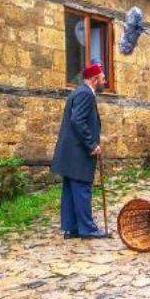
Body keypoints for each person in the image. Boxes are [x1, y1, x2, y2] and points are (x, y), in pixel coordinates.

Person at [51, 63, 110, 239]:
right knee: (82, 189)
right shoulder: (85, 94)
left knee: (70, 190)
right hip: (79, 153)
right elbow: (77, 120)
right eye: (102, 78)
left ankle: (72, 227)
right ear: (94, 79)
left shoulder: (78, 92)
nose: (104, 81)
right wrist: (92, 144)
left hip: (70, 152)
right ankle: (87, 229)